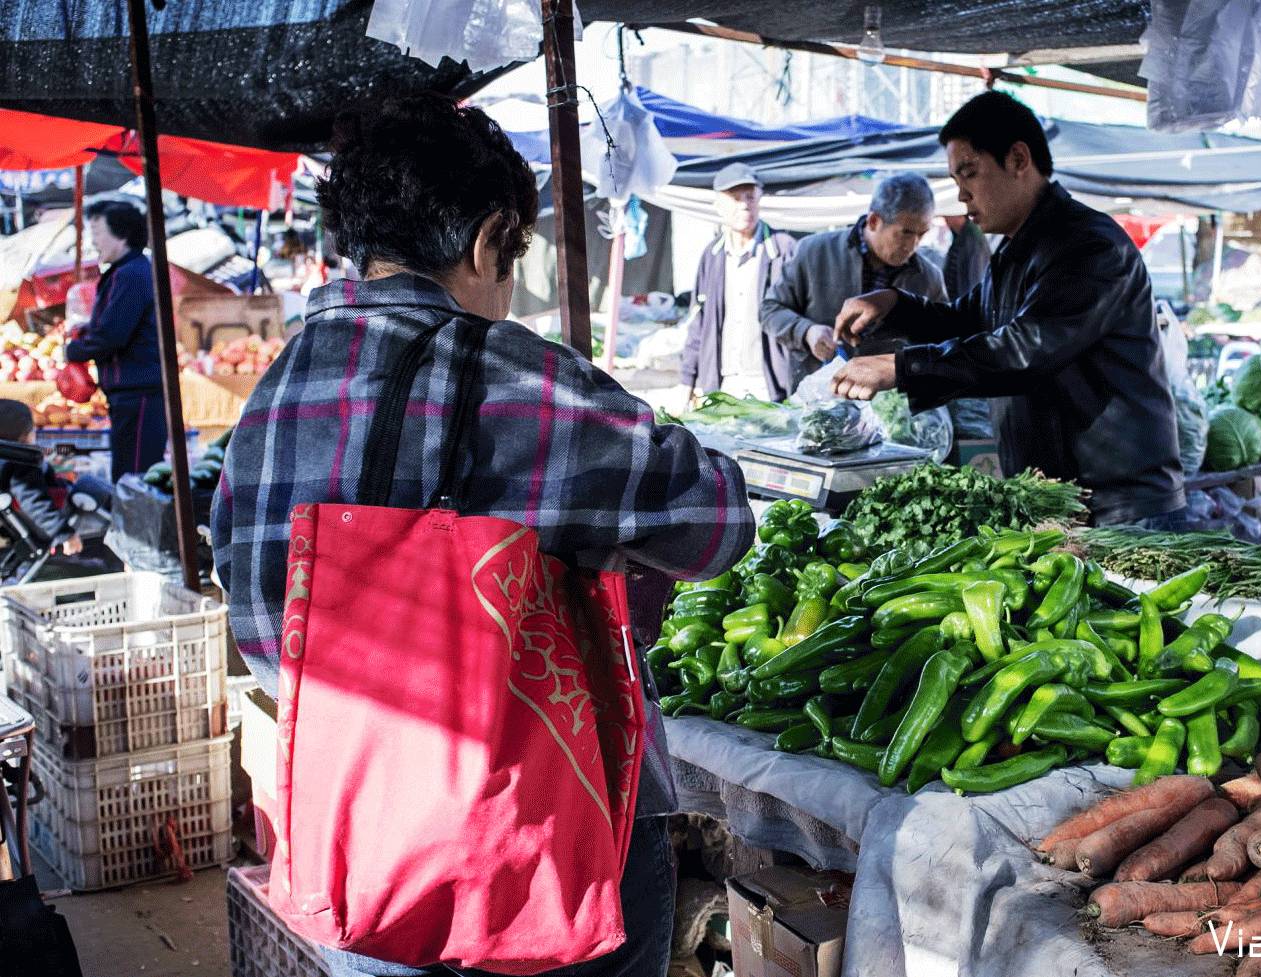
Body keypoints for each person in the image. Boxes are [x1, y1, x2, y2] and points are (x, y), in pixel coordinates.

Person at [212, 93, 754, 977]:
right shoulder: (521, 378)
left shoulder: (276, 393)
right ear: (487, 236)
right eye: (515, 257)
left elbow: (263, 626)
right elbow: (718, 527)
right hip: (540, 850)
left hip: (368, 854)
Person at [830, 91, 1184, 527]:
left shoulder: (1089, 246)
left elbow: (1026, 350)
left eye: (969, 173)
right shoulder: (1016, 252)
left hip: (1119, 504)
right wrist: (896, 305)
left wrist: (901, 367)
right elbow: (968, 320)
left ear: (1018, 159)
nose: (961, 195)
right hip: (1058, 496)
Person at [760, 172, 946, 390]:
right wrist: (806, 332)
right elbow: (770, 309)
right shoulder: (814, 252)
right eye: (905, 233)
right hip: (819, 400)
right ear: (874, 221)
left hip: (892, 411)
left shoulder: (928, 277)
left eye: (921, 234)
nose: (913, 245)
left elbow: (944, 347)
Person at [679, 163, 798, 402]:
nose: (744, 204)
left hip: (771, 384)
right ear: (718, 205)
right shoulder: (712, 255)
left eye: (750, 197)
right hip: (724, 384)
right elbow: (698, 322)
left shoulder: (783, 249)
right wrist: (687, 382)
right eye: (735, 197)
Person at [65, 199, 165, 481]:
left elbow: (113, 334)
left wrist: (73, 350)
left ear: (120, 235)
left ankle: (133, 527)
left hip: (138, 392)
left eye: (97, 232)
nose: (93, 241)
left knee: (134, 476)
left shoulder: (132, 274)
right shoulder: (125, 272)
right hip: (130, 392)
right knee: (128, 471)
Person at [0, 400, 112, 556]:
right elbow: (36, 503)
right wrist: (65, 534)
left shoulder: (8, 460)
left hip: (45, 512)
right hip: (57, 515)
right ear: (23, 436)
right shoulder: (22, 463)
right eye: (32, 430)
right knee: (95, 488)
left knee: (91, 484)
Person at [941, 213, 991, 301]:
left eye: (948, 215)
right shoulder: (960, 236)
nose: (945, 219)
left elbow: (976, 278)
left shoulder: (973, 239)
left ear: (960, 215)